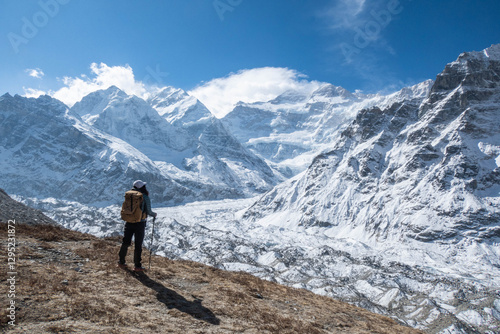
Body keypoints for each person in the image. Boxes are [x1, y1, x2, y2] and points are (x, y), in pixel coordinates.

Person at [118, 180, 157, 272]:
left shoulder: (129, 195)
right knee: (138, 244)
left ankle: (121, 261)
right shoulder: (144, 197)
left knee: (125, 242)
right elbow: (148, 211)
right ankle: (137, 265)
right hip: (140, 223)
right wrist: (154, 215)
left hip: (129, 221)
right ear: (142, 187)